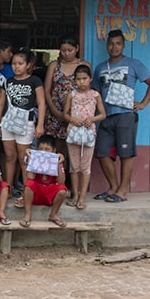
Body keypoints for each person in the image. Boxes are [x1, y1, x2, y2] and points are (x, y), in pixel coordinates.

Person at [92, 29, 150, 203]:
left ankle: (122, 191)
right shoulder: (100, 67)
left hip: (126, 115)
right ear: (107, 46)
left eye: (118, 44)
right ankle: (113, 187)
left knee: (125, 153)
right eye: (111, 44)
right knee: (102, 152)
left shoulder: (133, 64)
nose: (114, 47)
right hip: (106, 116)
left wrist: (143, 103)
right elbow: (95, 93)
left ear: (123, 45)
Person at [0, 48, 46, 208]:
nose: (16, 67)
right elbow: (1, 103)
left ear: (28, 65)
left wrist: (40, 125)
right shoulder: (8, 81)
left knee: (24, 160)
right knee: (10, 157)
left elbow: (41, 103)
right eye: (14, 63)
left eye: (20, 63)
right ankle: (8, 189)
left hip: (26, 123)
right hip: (8, 122)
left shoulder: (35, 81)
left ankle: (26, 191)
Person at [63, 64, 106, 210]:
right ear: (74, 80)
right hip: (73, 133)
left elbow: (102, 114)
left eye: (84, 79)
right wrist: (72, 120)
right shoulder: (72, 95)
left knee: (85, 167)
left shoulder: (95, 95)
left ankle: (82, 197)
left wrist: (92, 119)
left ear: (90, 79)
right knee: (74, 167)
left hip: (88, 134)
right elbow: (65, 113)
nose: (82, 82)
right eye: (78, 79)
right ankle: (75, 195)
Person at [43, 38, 89, 157]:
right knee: (57, 150)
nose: (66, 53)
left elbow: (88, 91)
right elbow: (47, 90)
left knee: (76, 150)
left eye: (70, 50)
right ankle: (58, 174)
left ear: (77, 49)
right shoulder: (54, 65)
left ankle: (70, 175)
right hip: (56, 113)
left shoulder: (84, 65)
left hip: (77, 114)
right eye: (63, 50)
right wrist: (55, 111)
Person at [19, 134, 68, 228]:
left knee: (62, 189)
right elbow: (30, 177)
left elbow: (61, 182)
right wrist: (30, 158)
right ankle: (27, 214)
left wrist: (59, 163)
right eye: (41, 149)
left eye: (47, 149)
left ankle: (53, 214)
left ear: (54, 150)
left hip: (49, 193)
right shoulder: (36, 158)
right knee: (29, 184)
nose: (43, 152)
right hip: (37, 192)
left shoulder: (57, 160)